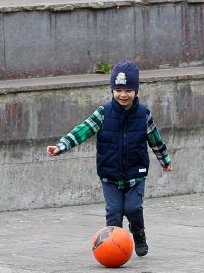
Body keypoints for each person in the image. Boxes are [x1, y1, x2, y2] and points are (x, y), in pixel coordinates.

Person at [46, 61, 173, 257]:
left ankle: (138, 233)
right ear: (112, 90)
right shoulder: (103, 113)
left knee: (133, 208)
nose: (123, 95)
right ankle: (114, 249)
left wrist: (164, 160)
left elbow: (155, 139)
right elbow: (82, 130)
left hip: (135, 174)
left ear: (136, 91)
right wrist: (61, 146)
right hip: (110, 175)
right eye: (119, 90)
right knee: (114, 212)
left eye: (129, 90)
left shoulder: (143, 114)